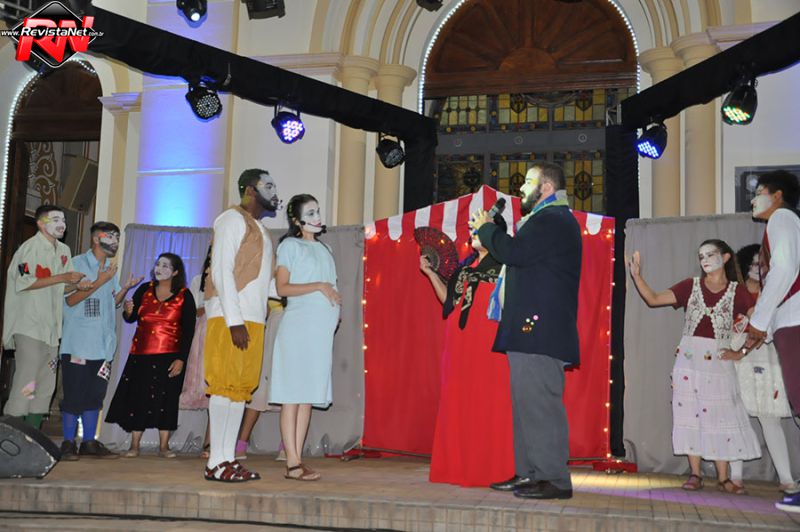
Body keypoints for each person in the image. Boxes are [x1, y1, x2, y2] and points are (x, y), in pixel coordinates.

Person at [469, 163, 581, 500]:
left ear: (546, 187)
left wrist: (487, 230)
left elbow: (515, 253)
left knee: (540, 406)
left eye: (528, 182)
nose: (521, 189)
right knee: (527, 407)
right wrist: (494, 233)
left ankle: (554, 479)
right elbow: (521, 254)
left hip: (540, 330)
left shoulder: (553, 219)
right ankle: (530, 473)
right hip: (531, 329)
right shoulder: (545, 221)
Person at [628, 239, 761, 494]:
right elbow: (654, 299)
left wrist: (741, 352)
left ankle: (723, 478)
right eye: (701, 256)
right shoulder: (691, 286)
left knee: (720, 415)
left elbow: (760, 325)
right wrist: (637, 276)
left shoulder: (738, 292)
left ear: (725, 257)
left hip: (718, 362)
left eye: (710, 254)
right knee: (690, 414)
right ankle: (695, 474)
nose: (705, 260)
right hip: (689, 361)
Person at [420, 216, 514, 487]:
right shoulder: (464, 267)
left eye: (480, 227)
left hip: (488, 343)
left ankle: (491, 469)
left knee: (489, 402)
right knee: (460, 401)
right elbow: (448, 303)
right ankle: (457, 467)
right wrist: (431, 274)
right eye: (473, 227)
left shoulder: (506, 266)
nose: (473, 231)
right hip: (459, 343)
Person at [203, 168, 278, 482]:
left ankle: (227, 459)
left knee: (239, 392)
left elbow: (266, 282)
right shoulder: (231, 219)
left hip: (253, 319)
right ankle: (215, 462)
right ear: (250, 190)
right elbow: (221, 270)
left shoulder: (260, 229)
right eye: (268, 186)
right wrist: (234, 321)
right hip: (229, 318)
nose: (275, 192)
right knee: (224, 389)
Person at [270, 194, 340, 482]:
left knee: (307, 397)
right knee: (292, 396)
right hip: (298, 328)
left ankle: (297, 458)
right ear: (297, 220)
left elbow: (332, 287)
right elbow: (282, 288)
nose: (317, 216)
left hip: (319, 333)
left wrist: (333, 307)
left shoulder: (325, 249)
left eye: (318, 211)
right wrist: (319, 286)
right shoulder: (289, 246)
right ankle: (292, 462)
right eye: (310, 213)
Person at [741, 170, 800, 512]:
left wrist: (760, 320)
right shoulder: (785, 222)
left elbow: (785, 268)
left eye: (759, 191)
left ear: (777, 195)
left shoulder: (782, 218)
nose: (753, 198)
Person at [59, 222, 142, 460]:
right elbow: (70, 300)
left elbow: (112, 301)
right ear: (96, 239)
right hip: (79, 343)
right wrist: (101, 280)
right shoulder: (77, 264)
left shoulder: (108, 268)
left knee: (95, 395)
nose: (115, 242)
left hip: (103, 346)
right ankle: (68, 443)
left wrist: (125, 290)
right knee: (74, 395)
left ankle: (89, 442)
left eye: (117, 238)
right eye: (111, 237)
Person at [105, 253, 196, 458]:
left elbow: (189, 331)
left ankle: (164, 447)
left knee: (167, 400)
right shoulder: (144, 289)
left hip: (170, 357)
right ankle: (134, 445)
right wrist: (128, 311)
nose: (159, 268)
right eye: (158, 264)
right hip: (141, 355)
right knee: (139, 398)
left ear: (175, 272)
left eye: (165, 265)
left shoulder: (185, 295)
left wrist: (181, 359)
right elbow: (130, 318)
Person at [2, 205, 86, 428]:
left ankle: (33, 434)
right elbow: (24, 281)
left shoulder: (64, 251)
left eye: (64, 220)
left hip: (51, 330)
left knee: (46, 383)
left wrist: (77, 285)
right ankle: (13, 431)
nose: (62, 224)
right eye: (55, 219)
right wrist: (63, 278)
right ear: (40, 224)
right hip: (29, 326)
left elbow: (61, 288)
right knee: (27, 381)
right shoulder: (27, 249)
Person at [724, 244, 796, 492]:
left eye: (761, 264)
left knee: (770, 418)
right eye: (753, 263)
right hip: (737, 358)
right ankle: (735, 477)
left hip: (765, 357)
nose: (757, 268)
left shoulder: (774, 294)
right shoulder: (733, 293)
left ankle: (786, 478)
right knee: (736, 416)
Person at [180, 246, 212, 458]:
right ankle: (207, 442)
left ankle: (212, 441)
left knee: (220, 390)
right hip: (202, 335)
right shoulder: (198, 280)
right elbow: (191, 311)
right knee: (204, 385)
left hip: (224, 332)